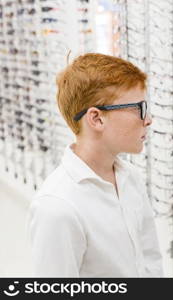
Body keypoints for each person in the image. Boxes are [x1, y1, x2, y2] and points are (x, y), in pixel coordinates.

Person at [28, 53, 163, 277]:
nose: (148, 119)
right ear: (97, 118)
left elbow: (150, 258)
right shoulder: (57, 207)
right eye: (139, 108)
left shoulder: (129, 178)